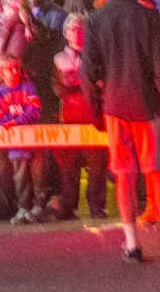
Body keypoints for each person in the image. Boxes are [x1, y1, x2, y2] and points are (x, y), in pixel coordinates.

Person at [82, 0, 160, 263]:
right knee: (156, 172)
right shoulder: (149, 16)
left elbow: (87, 73)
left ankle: (132, 244)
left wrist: (96, 112)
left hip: (114, 107)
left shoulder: (95, 19)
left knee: (123, 175)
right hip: (147, 105)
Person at [53, 14, 107, 221]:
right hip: (69, 115)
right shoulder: (58, 59)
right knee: (69, 165)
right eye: (73, 29)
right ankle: (68, 205)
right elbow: (57, 87)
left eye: (81, 29)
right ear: (65, 33)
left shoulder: (96, 56)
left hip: (93, 114)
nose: (77, 33)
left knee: (97, 164)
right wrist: (79, 87)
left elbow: (101, 82)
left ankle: (96, 205)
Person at [0, 55, 43, 224]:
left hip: (34, 139)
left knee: (38, 174)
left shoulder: (28, 87)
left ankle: (38, 207)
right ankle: (24, 207)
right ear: (0, 72)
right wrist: (14, 122)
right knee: (20, 177)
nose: (14, 71)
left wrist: (15, 122)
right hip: (16, 143)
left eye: (15, 67)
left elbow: (34, 109)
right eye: (9, 69)